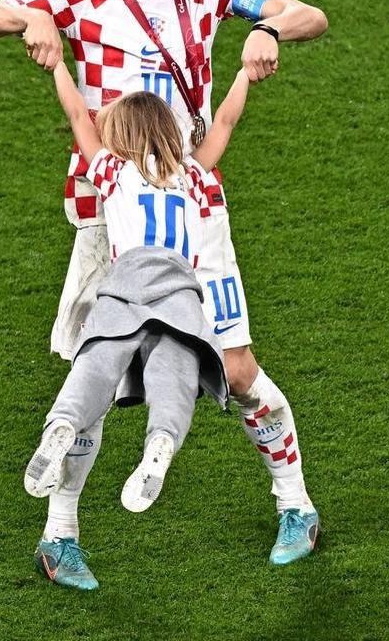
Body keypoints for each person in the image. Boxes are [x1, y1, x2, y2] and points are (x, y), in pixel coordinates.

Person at [0, 0, 328, 588]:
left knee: (237, 368)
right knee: (94, 373)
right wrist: (31, 18)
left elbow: (306, 13)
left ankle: (297, 508)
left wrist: (266, 29)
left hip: (193, 211)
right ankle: (58, 536)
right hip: (111, 213)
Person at [22, 63, 250, 589]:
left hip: (125, 278)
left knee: (97, 362)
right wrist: (243, 76)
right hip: (178, 288)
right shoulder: (193, 173)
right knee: (174, 374)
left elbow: (77, 112)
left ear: (120, 137)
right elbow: (225, 125)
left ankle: (61, 426)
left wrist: (58, 64)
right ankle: (160, 445)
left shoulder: (112, 171)